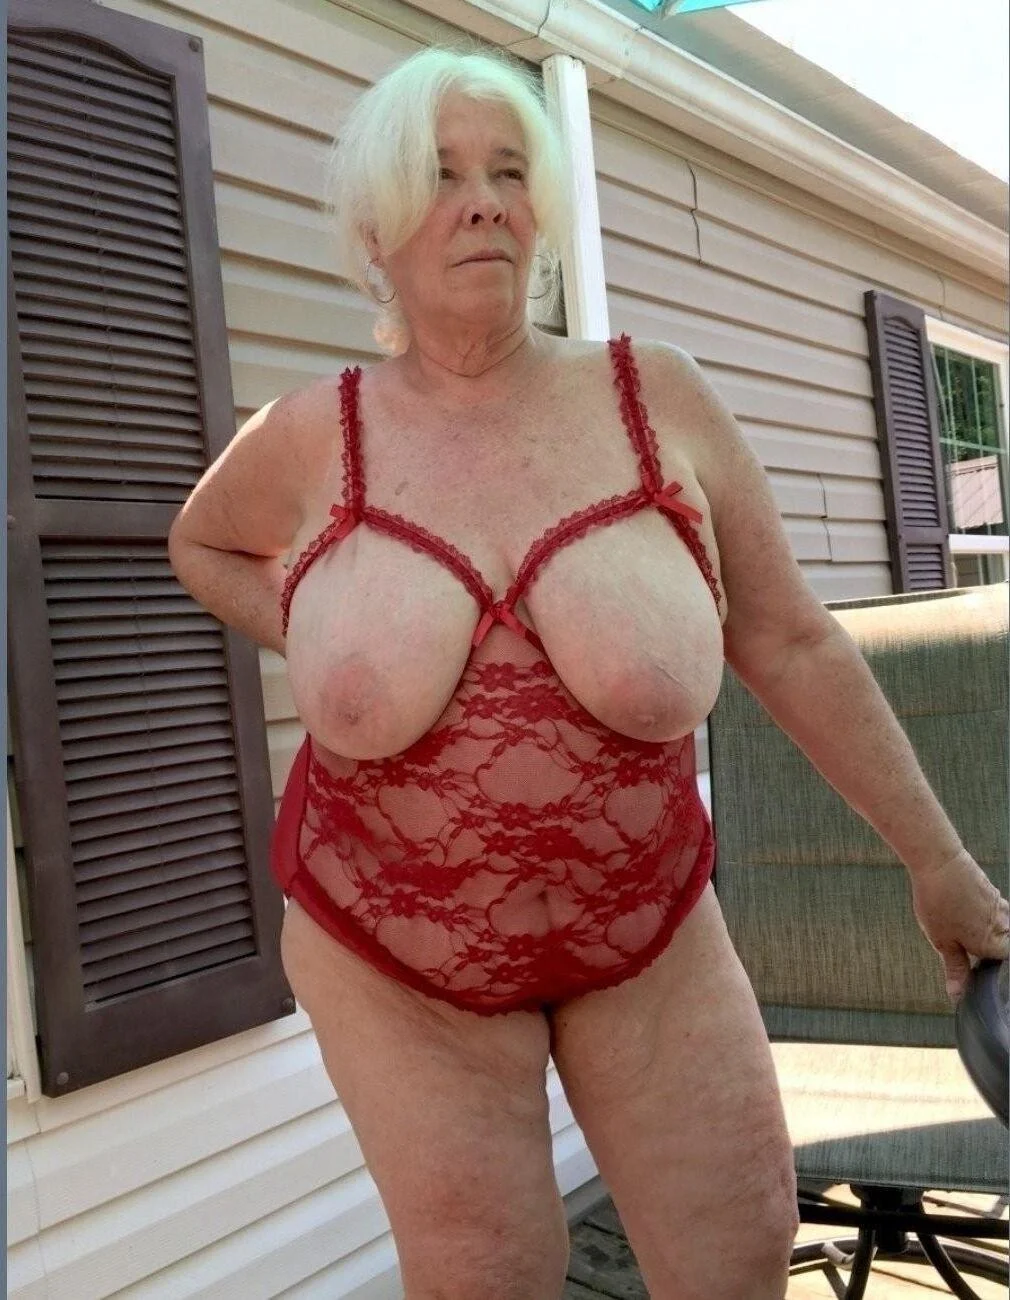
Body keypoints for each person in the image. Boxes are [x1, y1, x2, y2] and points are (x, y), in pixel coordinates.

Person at [168, 45, 1010, 1300]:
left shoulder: (651, 398)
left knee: (737, 1252)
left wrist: (936, 861)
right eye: (441, 175)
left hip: (645, 932)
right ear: (375, 229)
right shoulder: (308, 436)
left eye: (510, 172)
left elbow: (789, 639)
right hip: (393, 953)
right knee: (486, 1274)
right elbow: (199, 544)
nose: (484, 203)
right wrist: (320, 624)